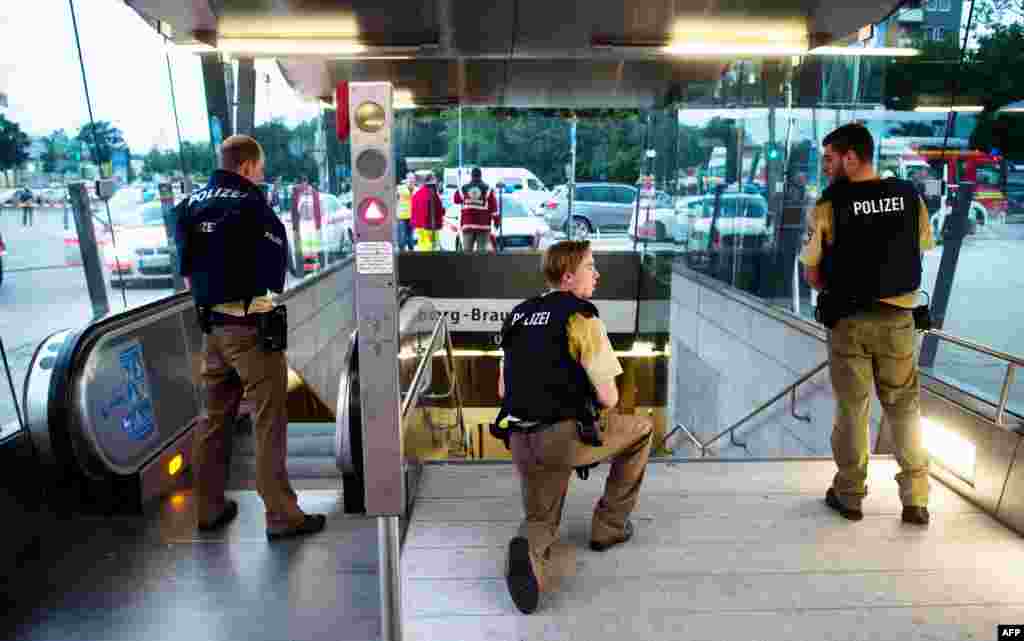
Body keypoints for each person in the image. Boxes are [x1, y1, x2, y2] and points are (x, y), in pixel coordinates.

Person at [175, 134, 326, 541]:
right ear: (245, 167)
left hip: (211, 330)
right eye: (259, 169)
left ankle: (207, 509)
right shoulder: (252, 205)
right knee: (268, 420)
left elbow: (186, 270)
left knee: (213, 420)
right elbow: (272, 276)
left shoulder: (187, 206)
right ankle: (281, 515)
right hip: (250, 330)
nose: (261, 176)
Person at [495, 240, 653, 614]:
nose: (596, 274)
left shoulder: (518, 315)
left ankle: (527, 551)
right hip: (563, 437)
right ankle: (609, 526)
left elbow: (504, 389)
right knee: (642, 429)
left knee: (541, 518)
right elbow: (609, 398)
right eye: (590, 266)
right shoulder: (581, 317)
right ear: (568, 276)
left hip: (519, 437)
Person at [800, 123, 934, 526]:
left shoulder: (829, 205)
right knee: (905, 408)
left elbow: (812, 273)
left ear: (851, 157)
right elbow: (921, 247)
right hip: (898, 320)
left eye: (829, 158)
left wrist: (840, 282)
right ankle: (916, 499)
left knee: (853, 409)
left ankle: (850, 495)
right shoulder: (909, 197)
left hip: (849, 321)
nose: (824, 167)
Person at [454, 167, 498, 253]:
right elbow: (494, 208)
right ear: (481, 176)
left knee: (467, 250)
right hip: (483, 226)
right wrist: (496, 222)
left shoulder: (464, 188)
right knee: (481, 251)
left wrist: (460, 188)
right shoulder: (488, 189)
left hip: (467, 225)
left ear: (471, 176)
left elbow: (456, 200)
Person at [411, 172, 443, 251]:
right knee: (432, 246)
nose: (437, 181)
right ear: (432, 180)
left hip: (420, 226)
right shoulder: (433, 193)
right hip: (430, 226)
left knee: (422, 245)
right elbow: (439, 209)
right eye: (435, 179)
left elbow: (414, 209)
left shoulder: (417, 194)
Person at [395, 172, 416, 252]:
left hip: (412, 216)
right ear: (406, 180)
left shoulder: (416, 189)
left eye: (412, 178)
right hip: (402, 216)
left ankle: (411, 251)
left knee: (410, 236)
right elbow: (394, 199)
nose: (411, 180)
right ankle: (402, 251)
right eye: (410, 178)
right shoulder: (400, 188)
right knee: (402, 237)